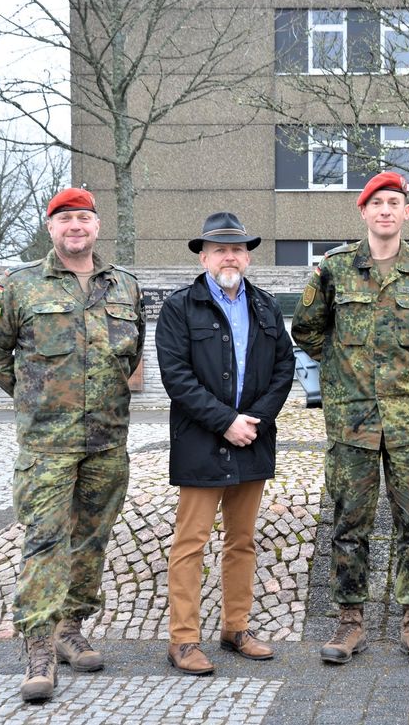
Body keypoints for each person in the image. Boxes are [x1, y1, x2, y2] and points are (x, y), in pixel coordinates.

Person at [0, 187, 144, 702]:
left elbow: (131, 353)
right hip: (47, 445)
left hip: (107, 442)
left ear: (97, 227)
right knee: (45, 542)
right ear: (51, 228)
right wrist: (37, 399)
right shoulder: (19, 285)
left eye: (84, 218)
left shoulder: (124, 285)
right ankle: (39, 649)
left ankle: (72, 630)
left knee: (92, 539)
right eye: (65, 219)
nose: (76, 226)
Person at [292, 171, 409, 666]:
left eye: (394, 203)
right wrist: (346, 375)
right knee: (349, 525)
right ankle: (349, 623)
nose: (385, 211)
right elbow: (307, 329)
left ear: (407, 213)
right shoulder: (334, 269)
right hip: (352, 422)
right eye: (376, 203)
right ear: (363, 212)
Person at [155, 212, 295, 675]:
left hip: (252, 438)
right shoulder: (180, 307)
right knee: (190, 543)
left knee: (242, 542)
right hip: (201, 441)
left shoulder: (266, 306)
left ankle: (236, 628)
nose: (228, 256)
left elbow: (283, 368)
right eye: (219, 249)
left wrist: (255, 420)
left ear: (248, 256)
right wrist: (226, 421)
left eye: (236, 249)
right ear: (203, 256)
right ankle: (184, 640)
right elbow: (178, 378)